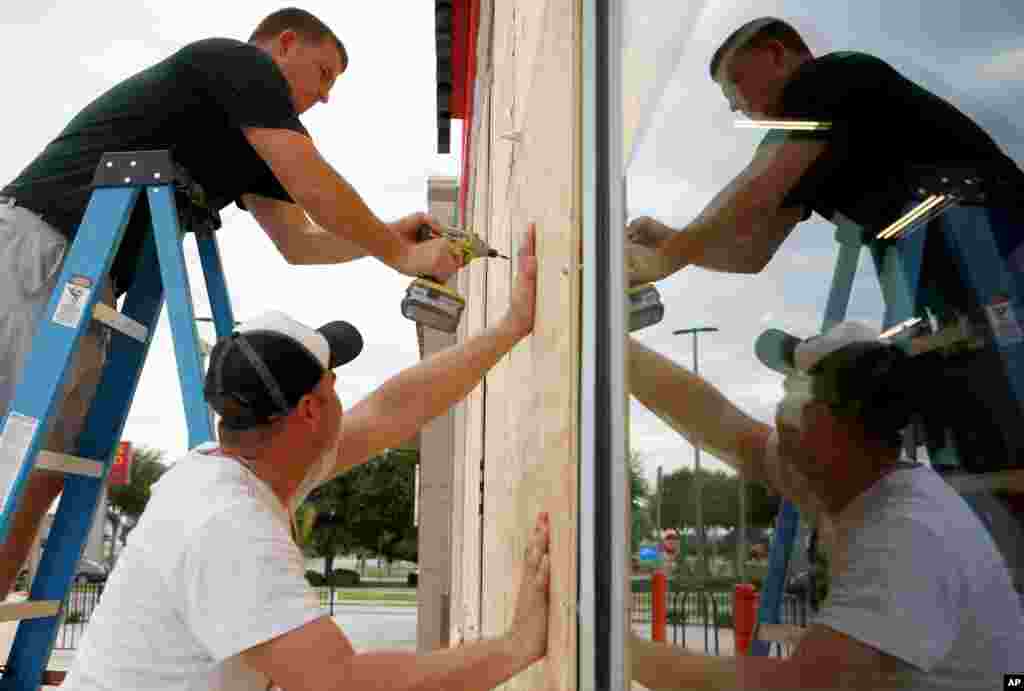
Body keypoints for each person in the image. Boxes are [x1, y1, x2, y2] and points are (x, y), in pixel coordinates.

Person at [0, 8, 461, 597]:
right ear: (285, 44)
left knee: (49, 468)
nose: (323, 97)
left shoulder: (245, 144)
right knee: (15, 452)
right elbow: (314, 181)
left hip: (88, 283)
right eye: (323, 74)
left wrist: (390, 237)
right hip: (39, 248)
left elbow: (301, 242)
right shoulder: (234, 62)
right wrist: (403, 258)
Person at [63, 226, 547, 691]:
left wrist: (510, 328)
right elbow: (342, 684)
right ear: (312, 410)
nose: (344, 398)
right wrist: (516, 647)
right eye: (332, 382)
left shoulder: (226, 468)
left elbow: (394, 409)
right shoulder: (228, 526)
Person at [627, 323, 1023, 691]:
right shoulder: (843, 469)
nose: (781, 443)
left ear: (826, 429)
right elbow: (714, 420)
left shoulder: (907, 536)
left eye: (792, 422)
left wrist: (622, 653)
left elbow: (798, 686)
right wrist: (615, 346)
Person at [625, 16, 1024, 284]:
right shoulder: (801, 150)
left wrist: (668, 256)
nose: (734, 103)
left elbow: (758, 189)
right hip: (965, 276)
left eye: (736, 83)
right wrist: (671, 240)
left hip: (1004, 239)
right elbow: (750, 257)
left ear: (776, 55)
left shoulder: (833, 75)